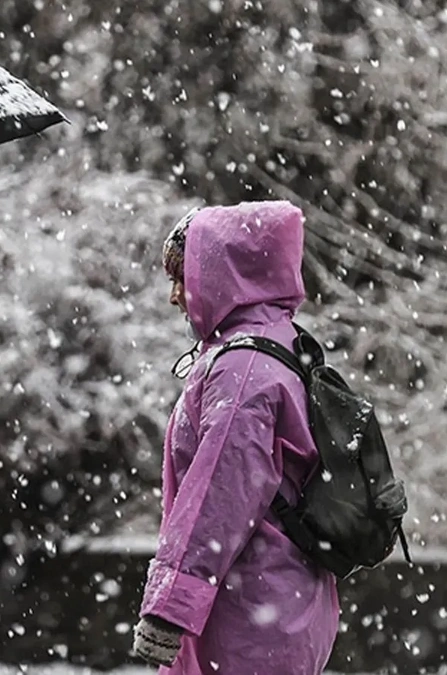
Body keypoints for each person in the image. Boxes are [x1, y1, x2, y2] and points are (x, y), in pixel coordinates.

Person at [132, 201, 339, 674]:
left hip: (250, 618)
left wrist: (171, 606)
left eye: (181, 279)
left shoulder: (243, 371)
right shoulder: (279, 345)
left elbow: (219, 495)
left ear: (220, 275)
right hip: (280, 605)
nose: (174, 297)